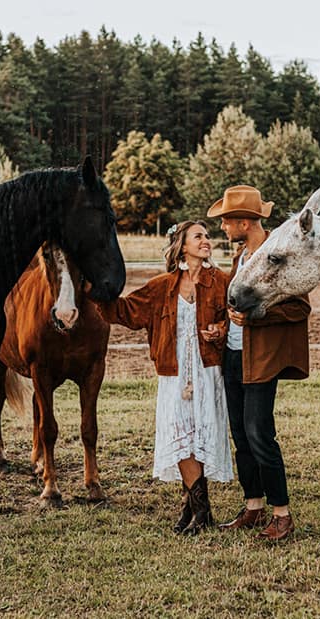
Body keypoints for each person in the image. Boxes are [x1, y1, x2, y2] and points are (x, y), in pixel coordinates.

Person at [97, 221, 233, 535]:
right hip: (174, 372)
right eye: (198, 236)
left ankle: (193, 509)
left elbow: (234, 318)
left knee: (200, 436)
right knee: (180, 435)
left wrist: (221, 329)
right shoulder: (162, 286)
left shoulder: (221, 282)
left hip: (207, 370)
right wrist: (96, 290)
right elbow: (126, 311)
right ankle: (201, 510)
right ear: (182, 246)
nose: (206, 240)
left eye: (207, 236)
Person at [207, 185, 310, 542]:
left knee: (259, 434)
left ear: (245, 223)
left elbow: (300, 308)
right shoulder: (239, 259)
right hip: (233, 357)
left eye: (226, 221)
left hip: (262, 360)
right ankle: (253, 506)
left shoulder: (277, 257)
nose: (223, 227)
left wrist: (257, 317)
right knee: (241, 435)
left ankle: (282, 514)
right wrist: (222, 329)